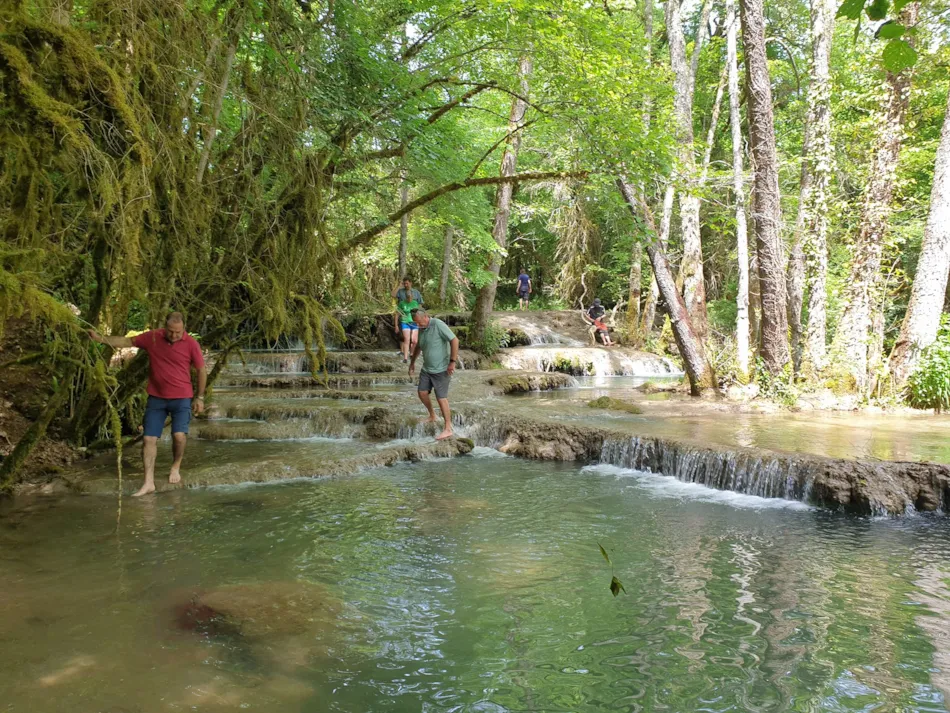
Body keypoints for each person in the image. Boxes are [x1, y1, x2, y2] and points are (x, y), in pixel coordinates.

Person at [88, 312, 206, 497]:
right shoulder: (152, 337)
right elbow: (126, 342)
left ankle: (175, 466)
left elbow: (201, 370)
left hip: (182, 398)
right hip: (156, 398)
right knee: (149, 439)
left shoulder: (191, 343)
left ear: (184, 328)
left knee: (179, 436)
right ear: (164, 327)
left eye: (178, 332)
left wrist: (200, 397)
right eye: (170, 331)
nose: (174, 335)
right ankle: (148, 482)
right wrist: (100, 338)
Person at [408, 309, 459, 441]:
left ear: (426, 317)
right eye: (416, 323)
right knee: (422, 392)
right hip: (427, 368)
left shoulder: (438, 324)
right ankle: (432, 415)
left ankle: (448, 428)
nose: (418, 325)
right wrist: (412, 363)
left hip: (442, 369)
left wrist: (452, 362)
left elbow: (454, 340)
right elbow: (419, 345)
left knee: (441, 398)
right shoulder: (422, 328)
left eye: (419, 322)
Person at [392, 278, 424, 363]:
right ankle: (404, 355)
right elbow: (393, 295)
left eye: (407, 283)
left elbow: (420, 304)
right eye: (404, 284)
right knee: (405, 338)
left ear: (411, 283)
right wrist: (399, 286)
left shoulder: (416, 293)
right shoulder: (401, 292)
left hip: (414, 319)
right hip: (404, 318)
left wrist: (420, 317)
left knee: (414, 340)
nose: (405, 285)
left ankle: (411, 353)